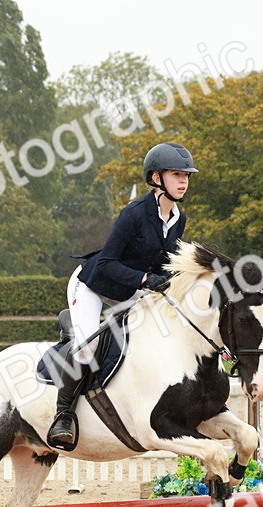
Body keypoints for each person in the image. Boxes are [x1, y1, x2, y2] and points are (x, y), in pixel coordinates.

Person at [46, 141, 197, 450]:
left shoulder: (177, 218)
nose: (183, 181)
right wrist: (145, 278)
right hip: (92, 284)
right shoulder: (135, 213)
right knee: (88, 348)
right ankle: (63, 415)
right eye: (176, 174)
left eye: (186, 176)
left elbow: (163, 263)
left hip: (128, 290)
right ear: (157, 178)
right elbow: (105, 263)